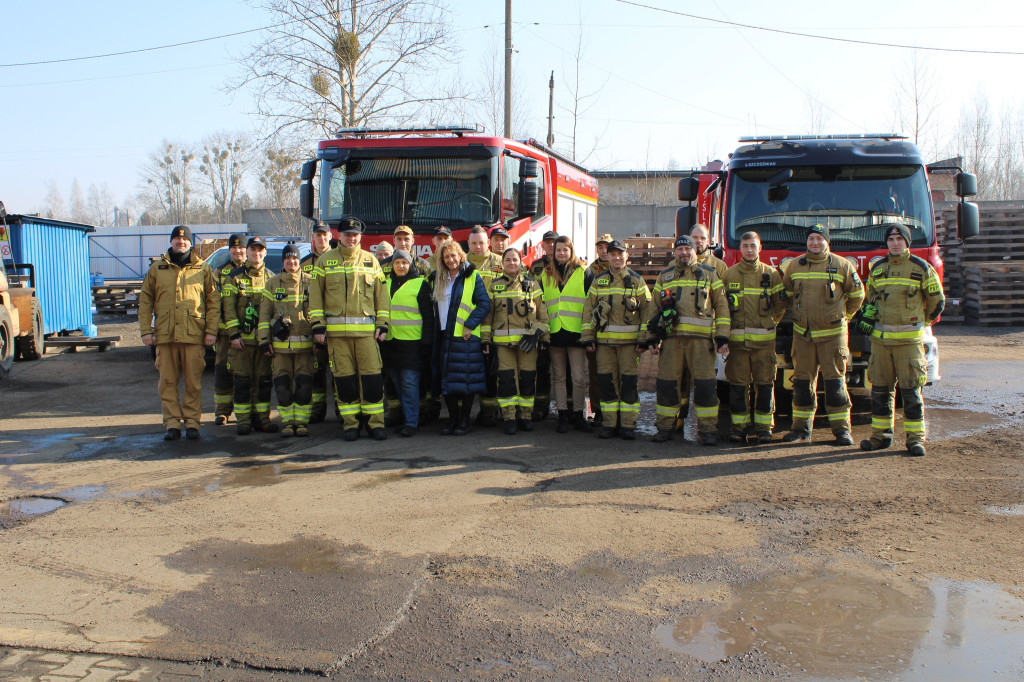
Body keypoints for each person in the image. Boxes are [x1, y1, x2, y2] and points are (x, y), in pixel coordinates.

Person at [858, 223, 944, 456]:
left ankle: (915, 440)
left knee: (911, 392)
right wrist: (868, 316)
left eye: (899, 239)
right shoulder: (878, 269)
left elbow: (937, 303)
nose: (895, 243)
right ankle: (880, 437)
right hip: (881, 344)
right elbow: (870, 300)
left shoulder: (922, 268)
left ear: (907, 242)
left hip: (909, 344)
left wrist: (920, 325)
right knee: (880, 392)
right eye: (891, 239)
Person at [781, 224, 864, 446]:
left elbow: (857, 295)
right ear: (806, 242)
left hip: (833, 336)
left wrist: (843, 316)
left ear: (827, 241)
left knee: (835, 384)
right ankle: (801, 429)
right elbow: (788, 294)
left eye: (819, 238)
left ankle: (842, 431)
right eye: (811, 239)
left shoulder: (842, 265)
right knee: (801, 384)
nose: (815, 243)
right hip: (803, 336)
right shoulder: (794, 266)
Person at [309, 216, 390, 441]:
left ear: (360, 237)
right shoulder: (325, 261)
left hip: (366, 336)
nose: (351, 238)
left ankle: (375, 424)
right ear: (339, 236)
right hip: (336, 337)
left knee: (372, 381)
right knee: (344, 383)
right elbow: (315, 297)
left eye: (355, 235)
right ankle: (351, 425)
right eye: (347, 235)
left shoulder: (371, 261)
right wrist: (318, 327)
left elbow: (381, 297)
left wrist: (383, 324)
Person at [138, 225, 219, 440]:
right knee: (167, 382)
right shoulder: (157, 269)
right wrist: (146, 331)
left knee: (193, 383)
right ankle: (172, 424)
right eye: (177, 239)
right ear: (171, 242)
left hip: (194, 335)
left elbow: (213, 302)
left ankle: (192, 423)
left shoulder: (203, 269)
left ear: (190, 243)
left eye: (184, 240)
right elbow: (145, 300)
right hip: (165, 335)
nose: (180, 243)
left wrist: (211, 331)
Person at [649, 235, 730, 446]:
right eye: (680, 249)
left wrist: (722, 336)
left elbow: (722, 307)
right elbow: (653, 309)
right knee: (667, 385)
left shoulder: (710, 275)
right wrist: (650, 338)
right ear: (674, 252)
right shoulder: (664, 276)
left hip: (701, 344)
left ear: (695, 252)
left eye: (688, 249)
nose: (684, 253)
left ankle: (709, 431)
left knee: (705, 388)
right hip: (672, 342)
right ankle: (665, 428)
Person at [581, 240, 652, 440]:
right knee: (607, 383)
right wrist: (588, 337)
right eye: (612, 254)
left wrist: (643, 339)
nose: (616, 257)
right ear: (608, 257)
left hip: (629, 346)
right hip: (604, 345)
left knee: (628, 384)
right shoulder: (598, 280)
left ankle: (628, 425)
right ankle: (609, 424)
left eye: (620, 254)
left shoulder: (637, 281)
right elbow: (588, 310)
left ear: (626, 256)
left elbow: (647, 311)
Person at [722, 231, 787, 443]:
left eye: (753, 245)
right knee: (738, 386)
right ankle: (739, 428)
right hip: (738, 345)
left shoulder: (772, 274)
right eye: (745, 246)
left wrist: (770, 324)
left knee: (765, 385)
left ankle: (764, 428)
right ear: (740, 249)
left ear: (760, 248)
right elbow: (722, 308)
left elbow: (780, 305)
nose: (749, 250)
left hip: (764, 345)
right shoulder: (729, 275)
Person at [481, 248, 548, 434]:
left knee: (527, 380)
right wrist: (486, 340)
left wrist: (542, 337)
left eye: (515, 260)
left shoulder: (532, 284)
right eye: (508, 260)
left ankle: (525, 416)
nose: (512, 263)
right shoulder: (494, 285)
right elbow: (487, 317)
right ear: (502, 263)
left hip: (528, 344)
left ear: (521, 262)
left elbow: (543, 316)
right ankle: (509, 418)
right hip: (503, 345)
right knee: (506, 381)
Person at [432, 240, 491, 436]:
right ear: (442, 259)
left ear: (460, 255)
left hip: (464, 336)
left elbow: (484, 304)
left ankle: (465, 421)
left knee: (466, 382)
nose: (451, 260)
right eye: (446, 256)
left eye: (453, 255)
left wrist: (469, 325)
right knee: (447, 381)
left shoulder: (472, 276)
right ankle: (453, 420)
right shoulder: (437, 277)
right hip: (443, 335)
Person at [258, 243, 314, 437]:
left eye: (295, 258)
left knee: (305, 386)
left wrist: (318, 339)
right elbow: (264, 314)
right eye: (288, 258)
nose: (292, 262)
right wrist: (265, 339)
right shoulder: (272, 283)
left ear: (299, 260)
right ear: (283, 261)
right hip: (280, 349)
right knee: (282, 387)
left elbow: (317, 313)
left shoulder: (310, 282)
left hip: (306, 348)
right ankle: (288, 423)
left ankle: (302, 422)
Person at [222, 236, 276, 435]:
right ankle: (243, 421)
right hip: (242, 342)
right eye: (253, 250)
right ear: (247, 252)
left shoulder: (272, 278)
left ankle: (262, 419)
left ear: (265, 253)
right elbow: (228, 309)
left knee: (263, 382)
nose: (257, 253)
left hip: (263, 342)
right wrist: (234, 335)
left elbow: (275, 310)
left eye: (260, 250)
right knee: (243, 381)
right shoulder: (234, 277)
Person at [541, 235, 595, 433]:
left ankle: (579, 415)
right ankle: (562, 414)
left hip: (577, 333)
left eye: (565, 250)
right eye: (558, 250)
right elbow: (541, 305)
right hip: (555, 333)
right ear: (553, 253)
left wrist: (589, 333)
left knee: (579, 378)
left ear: (572, 251)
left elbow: (590, 304)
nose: (562, 253)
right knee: (559, 377)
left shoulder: (584, 272)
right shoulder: (546, 274)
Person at [381, 249, 434, 437]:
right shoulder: (385, 284)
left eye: (404, 263)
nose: (401, 266)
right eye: (397, 263)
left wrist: (427, 343)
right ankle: (408, 419)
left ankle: (411, 423)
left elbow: (429, 317)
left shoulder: (420, 284)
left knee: (410, 383)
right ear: (392, 265)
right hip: (390, 344)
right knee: (398, 384)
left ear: (410, 264)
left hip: (412, 344)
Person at [467, 225, 504, 425]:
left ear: (488, 243)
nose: (478, 246)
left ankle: (489, 412)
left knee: (492, 371)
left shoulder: (501, 262)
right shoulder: (461, 262)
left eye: (481, 242)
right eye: (474, 243)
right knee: (469, 370)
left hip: (496, 325)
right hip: (468, 326)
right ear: (468, 243)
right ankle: (464, 413)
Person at [301, 221, 334, 423]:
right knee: (316, 370)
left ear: (330, 237)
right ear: (312, 238)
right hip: (315, 326)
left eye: (324, 235)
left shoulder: (339, 260)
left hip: (337, 325)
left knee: (339, 371)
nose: (321, 238)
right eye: (317, 235)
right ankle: (318, 409)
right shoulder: (303, 265)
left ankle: (341, 410)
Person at [213, 232, 246, 425]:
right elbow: (215, 302)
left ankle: (246, 412)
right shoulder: (220, 272)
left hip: (248, 333)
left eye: (241, 248)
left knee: (245, 372)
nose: (238, 251)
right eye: (234, 248)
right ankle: (222, 411)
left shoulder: (253, 270)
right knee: (223, 371)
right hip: (224, 333)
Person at [528, 231, 558, 420]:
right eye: (547, 243)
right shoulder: (536, 266)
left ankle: (569, 408)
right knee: (541, 367)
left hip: (561, 320)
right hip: (541, 321)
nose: (550, 246)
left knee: (564, 370)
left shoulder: (567, 264)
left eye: (553, 243)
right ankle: (541, 406)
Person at [586, 233, 615, 425]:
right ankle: (597, 410)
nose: (603, 251)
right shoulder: (589, 271)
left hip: (618, 331)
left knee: (616, 374)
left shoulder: (623, 272)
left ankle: (615, 411)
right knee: (595, 373)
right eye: (600, 247)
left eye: (607, 247)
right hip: (596, 330)